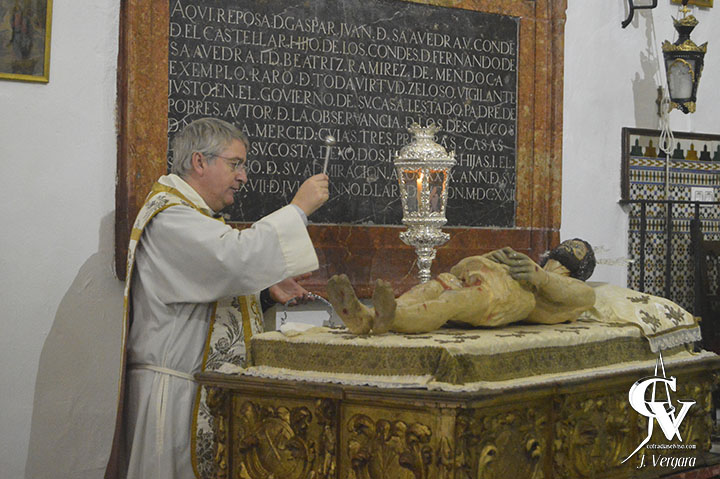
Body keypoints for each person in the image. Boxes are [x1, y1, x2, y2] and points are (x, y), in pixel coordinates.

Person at [105, 118, 329, 479]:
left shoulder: (194, 218)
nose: (243, 177)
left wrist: (264, 290)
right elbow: (233, 258)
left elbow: (211, 281)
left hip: (198, 392)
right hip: (175, 401)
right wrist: (298, 210)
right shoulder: (170, 218)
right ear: (199, 161)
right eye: (235, 164)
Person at [327, 239, 597, 334]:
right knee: (432, 288)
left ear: (579, 270)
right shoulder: (532, 266)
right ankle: (365, 316)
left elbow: (575, 293)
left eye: (574, 251)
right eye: (566, 246)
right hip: (481, 275)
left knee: (451, 301)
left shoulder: (579, 292)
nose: (568, 247)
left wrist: (542, 277)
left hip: (504, 297)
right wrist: (494, 258)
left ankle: (393, 317)